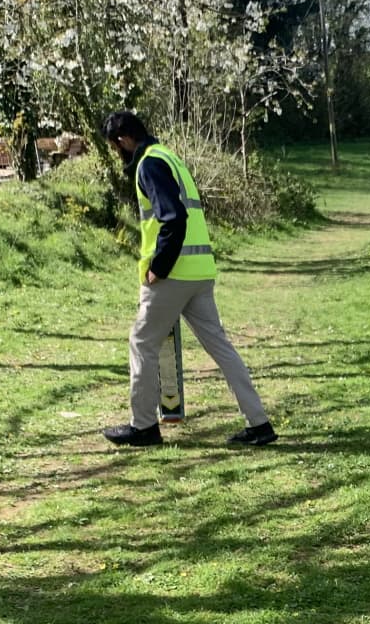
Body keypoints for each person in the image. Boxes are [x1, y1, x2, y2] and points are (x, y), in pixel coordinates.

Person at [100, 111, 276, 448]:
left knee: (142, 342)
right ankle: (259, 423)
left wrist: (158, 268)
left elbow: (173, 218)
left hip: (172, 275)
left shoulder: (149, 164)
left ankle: (144, 428)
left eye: (114, 146)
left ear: (123, 139)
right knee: (222, 349)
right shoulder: (170, 157)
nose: (117, 153)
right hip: (200, 272)